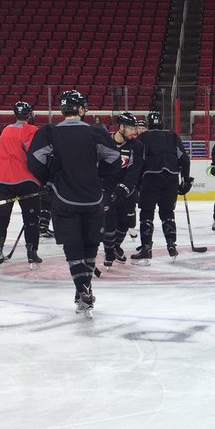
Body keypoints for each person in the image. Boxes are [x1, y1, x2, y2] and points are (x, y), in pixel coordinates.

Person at [26, 89, 123, 316]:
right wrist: (100, 178)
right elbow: (115, 159)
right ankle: (83, 290)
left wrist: (49, 177)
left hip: (63, 198)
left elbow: (34, 162)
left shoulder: (48, 132)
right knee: (90, 246)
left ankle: (82, 289)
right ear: (81, 109)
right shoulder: (96, 132)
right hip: (93, 199)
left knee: (73, 248)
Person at [131, 109, 192, 264]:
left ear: (149, 124)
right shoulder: (173, 136)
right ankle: (171, 245)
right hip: (171, 178)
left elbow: (139, 161)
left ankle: (146, 249)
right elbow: (184, 159)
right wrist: (185, 179)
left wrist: (136, 182)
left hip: (151, 177)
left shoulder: (143, 137)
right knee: (167, 212)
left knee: (146, 213)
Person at [0, 101, 44, 268]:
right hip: (25, 180)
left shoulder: (6, 130)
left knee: (0, 218)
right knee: (31, 219)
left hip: (2, 180)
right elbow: (34, 155)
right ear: (29, 115)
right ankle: (31, 252)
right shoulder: (31, 130)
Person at [102, 111, 140, 266]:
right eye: (131, 128)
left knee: (125, 222)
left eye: (135, 128)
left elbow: (135, 169)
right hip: (107, 188)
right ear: (121, 127)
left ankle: (116, 246)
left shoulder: (137, 146)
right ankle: (109, 252)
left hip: (127, 189)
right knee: (109, 221)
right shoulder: (104, 141)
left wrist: (124, 187)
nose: (134, 132)